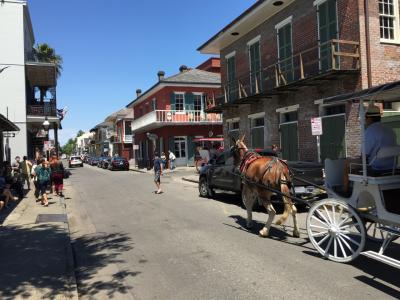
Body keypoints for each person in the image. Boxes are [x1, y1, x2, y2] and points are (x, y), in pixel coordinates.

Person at [343, 104, 397, 192]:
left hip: (376, 168)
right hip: (391, 167)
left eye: (365, 118)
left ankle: (345, 192)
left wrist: (351, 159)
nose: (365, 120)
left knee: (347, 165)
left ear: (369, 118)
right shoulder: (390, 130)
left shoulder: (370, 130)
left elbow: (364, 155)